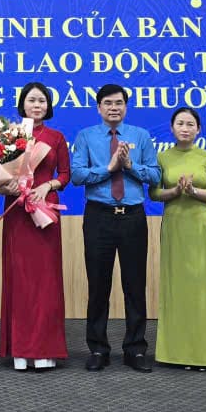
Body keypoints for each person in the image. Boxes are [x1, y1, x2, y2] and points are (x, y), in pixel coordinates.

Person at [70, 84, 160, 373]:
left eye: (119, 103)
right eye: (107, 103)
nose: (113, 108)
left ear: (126, 106)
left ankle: (136, 349)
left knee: (135, 285)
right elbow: (77, 175)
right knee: (98, 285)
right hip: (99, 217)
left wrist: (130, 165)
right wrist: (108, 168)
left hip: (132, 217)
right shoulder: (86, 136)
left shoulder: (140, 136)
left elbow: (155, 175)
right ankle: (98, 348)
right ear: (99, 108)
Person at [150, 107, 206, 369]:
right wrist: (176, 190)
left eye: (190, 124)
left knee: (204, 289)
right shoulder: (162, 157)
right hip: (175, 226)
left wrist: (194, 191)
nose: (185, 128)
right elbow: (154, 194)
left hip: (202, 228)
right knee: (177, 289)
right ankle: (176, 353)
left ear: (199, 129)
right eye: (180, 123)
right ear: (172, 128)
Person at [0, 82, 69, 371]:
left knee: (45, 281)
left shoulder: (56, 137)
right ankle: (20, 350)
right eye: (31, 100)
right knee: (20, 280)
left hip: (45, 211)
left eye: (42, 100)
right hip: (17, 211)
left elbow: (65, 175)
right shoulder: (9, 135)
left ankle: (45, 350)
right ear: (22, 104)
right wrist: (6, 186)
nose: (37, 105)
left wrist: (47, 186)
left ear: (48, 106)